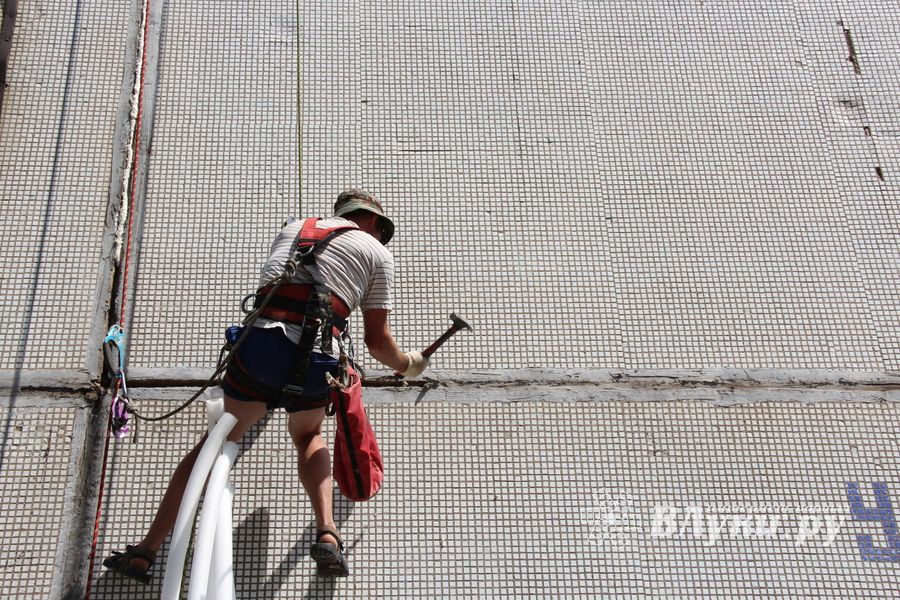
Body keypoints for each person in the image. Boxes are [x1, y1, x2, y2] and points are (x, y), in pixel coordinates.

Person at [103, 189, 428, 582]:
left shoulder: (294, 228)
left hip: (261, 349)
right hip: (317, 357)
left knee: (216, 445)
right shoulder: (377, 252)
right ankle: (328, 532)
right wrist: (408, 364)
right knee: (308, 435)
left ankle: (146, 551)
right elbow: (377, 342)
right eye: (381, 230)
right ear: (373, 222)